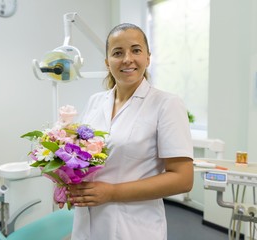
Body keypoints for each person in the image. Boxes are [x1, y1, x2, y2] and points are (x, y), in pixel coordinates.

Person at [65, 23, 194, 240]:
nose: (127, 59)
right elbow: (82, 158)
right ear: (107, 62)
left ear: (147, 57)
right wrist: (66, 183)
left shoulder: (166, 104)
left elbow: (183, 179)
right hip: (87, 223)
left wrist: (112, 192)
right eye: (117, 53)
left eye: (136, 50)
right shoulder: (95, 101)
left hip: (133, 227)